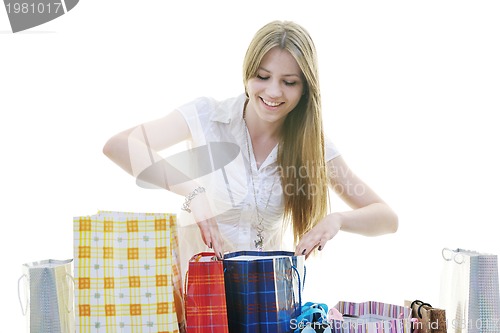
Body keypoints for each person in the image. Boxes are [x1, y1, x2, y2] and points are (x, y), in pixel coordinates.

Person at [102, 20, 398, 264]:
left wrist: (337, 220)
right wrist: (193, 191)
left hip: (261, 302)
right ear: (247, 73)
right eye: (263, 76)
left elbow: (387, 218)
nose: (273, 92)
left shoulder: (310, 143)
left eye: (289, 82)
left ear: (306, 88)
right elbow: (118, 146)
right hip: (198, 297)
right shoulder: (207, 116)